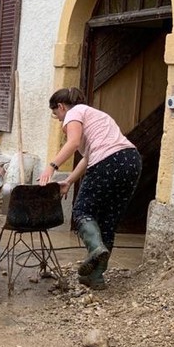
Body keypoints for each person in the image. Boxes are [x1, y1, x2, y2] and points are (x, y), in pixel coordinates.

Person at [38, 87, 142, 290]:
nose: (60, 121)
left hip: (109, 162)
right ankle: (95, 277)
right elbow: (87, 157)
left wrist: (51, 167)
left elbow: (73, 142)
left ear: (61, 106)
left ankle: (95, 248)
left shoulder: (75, 112)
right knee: (108, 220)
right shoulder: (97, 117)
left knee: (81, 211)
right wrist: (68, 181)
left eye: (57, 115)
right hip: (131, 161)